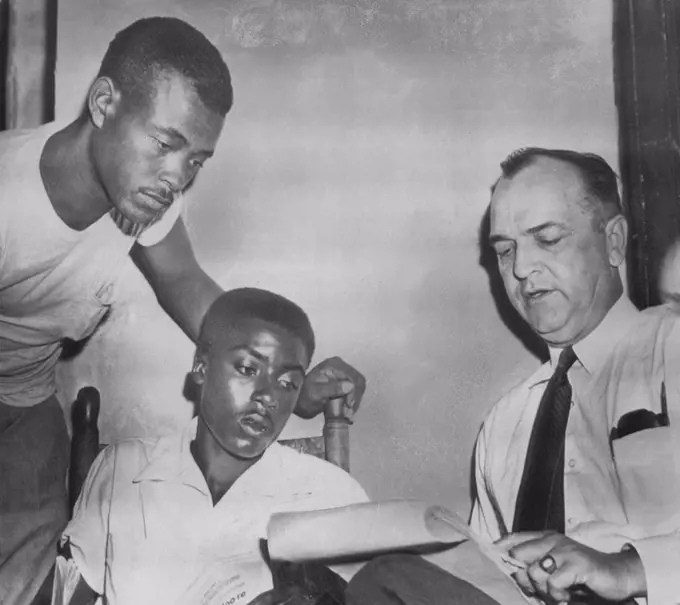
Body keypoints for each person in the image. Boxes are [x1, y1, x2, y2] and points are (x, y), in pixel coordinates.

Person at [0, 17, 365, 605]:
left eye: (196, 160)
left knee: (33, 584)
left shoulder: (143, 201)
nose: (177, 178)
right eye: (165, 144)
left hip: (25, 395)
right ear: (102, 103)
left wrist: (284, 377)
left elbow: (196, 295)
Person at [346, 149, 680, 604]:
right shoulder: (505, 426)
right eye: (505, 251)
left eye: (547, 238)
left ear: (614, 241)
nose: (521, 269)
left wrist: (630, 568)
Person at [54, 287, 369, 605]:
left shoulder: (329, 492)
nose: (268, 397)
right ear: (202, 368)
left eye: (288, 383)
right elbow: (68, 595)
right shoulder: (124, 468)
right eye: (248, 369)